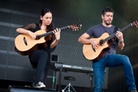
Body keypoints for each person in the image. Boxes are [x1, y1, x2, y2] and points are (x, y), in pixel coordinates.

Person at [78, 7, 137, 92]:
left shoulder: (116, 30)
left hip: (110, 57)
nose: (110, 18)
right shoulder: (95, 28)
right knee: (97, 87)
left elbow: (121, 47)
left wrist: (121, 39)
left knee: (125, 59)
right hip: (97, 60)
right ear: (102, 16)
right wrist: (91, 41)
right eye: (108, 16)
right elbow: (80, 39)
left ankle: (132, 89)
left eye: (111, 16)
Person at [16, 8, 61, 88]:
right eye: (46, 18)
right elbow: (18, 30)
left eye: (50, 18)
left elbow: (51, 46)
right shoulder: (34, 26)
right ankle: (37, 82)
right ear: (41, 17)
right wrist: (29, 33)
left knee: (47, 54)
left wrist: (57, 39)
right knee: (44, 54)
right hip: (34, 54)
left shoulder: (51, 31)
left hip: (45, 55)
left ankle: (40, 82)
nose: (48, 20)